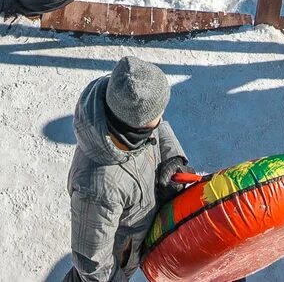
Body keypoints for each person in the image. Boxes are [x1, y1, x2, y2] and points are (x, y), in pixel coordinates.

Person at [65, 57, 192, 282]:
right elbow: (92, 262)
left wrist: (172, 157)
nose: (162, 116)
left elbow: (158, 127)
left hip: (135, 236)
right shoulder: (99, 188)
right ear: (138, 125)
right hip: (114, 266)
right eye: (157, 113)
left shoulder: (122, 111)